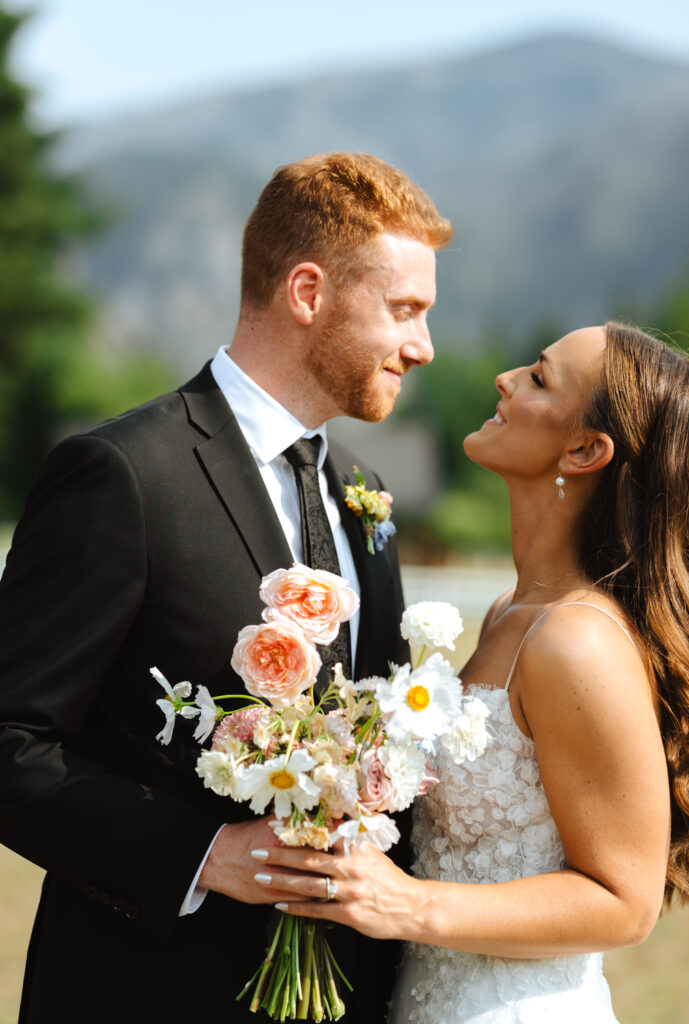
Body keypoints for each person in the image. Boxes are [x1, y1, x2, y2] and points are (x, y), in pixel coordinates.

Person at [0, 152, 452, 1023]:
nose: (422, 345)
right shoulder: (125, 475)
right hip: (148, 992)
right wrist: (201, 854)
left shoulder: (366, 495)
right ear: (309, 292)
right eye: (405, 310)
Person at [251, 322, 689, 1023]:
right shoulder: (509, 611)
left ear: (586, 449)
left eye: (539, 377)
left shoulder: (577, 641)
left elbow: (625, 904)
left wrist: (405, 905)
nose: (506, 376)